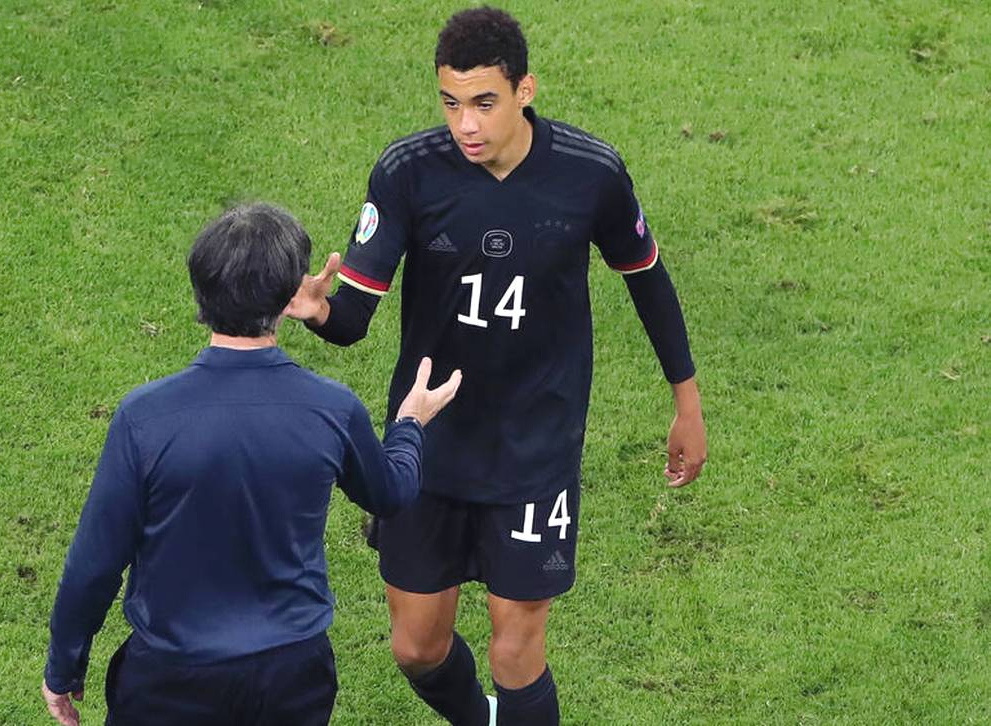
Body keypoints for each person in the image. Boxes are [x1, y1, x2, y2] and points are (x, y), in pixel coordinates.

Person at [286, 7, 708, 725]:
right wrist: (322, 311)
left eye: (483, 102)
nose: (466, 124)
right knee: (417, 648)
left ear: (525, 90)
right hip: (429, 443)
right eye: (451, 103)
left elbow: (646, 276)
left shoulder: (590, 174)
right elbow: (355, 318)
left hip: (535, 446)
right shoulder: (408, 172)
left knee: (518, 651)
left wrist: (687, 402)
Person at [41, 203, 463, 726]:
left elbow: (94, 564)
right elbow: (392, 493)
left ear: (201, 292)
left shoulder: (143, 418)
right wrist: (409, 426)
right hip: (291, 677)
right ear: (290, 299)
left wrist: (64, 667)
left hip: (170, 679)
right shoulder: (331, 409)